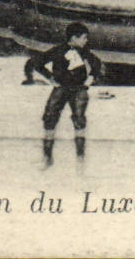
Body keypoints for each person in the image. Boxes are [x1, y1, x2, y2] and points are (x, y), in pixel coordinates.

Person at [26, 22, 103, 167]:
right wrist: (50, 78)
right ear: (74, 38)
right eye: (84, 38)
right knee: (50, 117)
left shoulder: (84, 52)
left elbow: (97, 64)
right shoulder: (58, 50)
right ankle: (47, 158)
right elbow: (38, 63)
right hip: (61, 88)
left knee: (79, 120)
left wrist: (90, 80)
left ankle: (80, 159)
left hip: (79, 89)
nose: (86, 41)